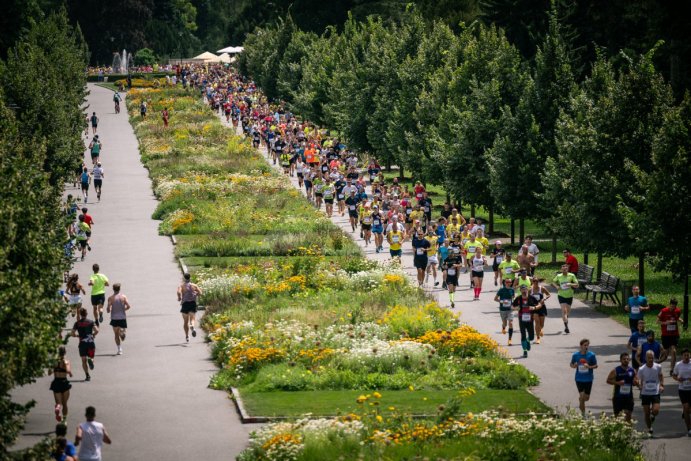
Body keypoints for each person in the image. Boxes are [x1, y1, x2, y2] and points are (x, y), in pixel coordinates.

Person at [638, 350, 664, 437]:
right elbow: (638, 379)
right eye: (649, 358)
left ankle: (653, 416)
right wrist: (639, 386)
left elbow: (660, 375)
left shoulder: (658, 366)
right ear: (645, 358)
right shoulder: (642, 369)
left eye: (652, 358)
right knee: (646, 413)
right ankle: (649, 428)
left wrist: (661, 385)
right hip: (645, 393)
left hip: (655, 392)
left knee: (655, 411)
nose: (650, 359)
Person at [68, 308, 98, 381]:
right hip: (90, 342)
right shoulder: (91, 322)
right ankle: (90, 359)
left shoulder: (77, 323)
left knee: (83, 360)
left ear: (80, 315)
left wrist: (76, 336)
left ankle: (87, 375)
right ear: (86, 314)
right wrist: (93, 335)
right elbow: (97, 330)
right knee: (91, 356)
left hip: (82, 343)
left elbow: (72, 333)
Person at [606, 352, 637, 423]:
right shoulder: (616, 370)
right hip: (618, 397)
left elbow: (635, 381)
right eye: (624, 359)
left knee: (628, 415)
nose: (626, 360)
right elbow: (608, 380)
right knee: (617, 417)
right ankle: (618, 432)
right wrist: (618, 383)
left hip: (629, 397)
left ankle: (628, 432)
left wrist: (636, 383)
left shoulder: (632, 370)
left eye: (627, 359)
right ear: (620, 360)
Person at [570, 338, 597, 416]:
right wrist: (574, 366)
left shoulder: (591, 355)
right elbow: (571, 364)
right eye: (585, 345)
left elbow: (596, 365)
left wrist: (589, 367)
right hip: (579, 378)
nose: (586, 347)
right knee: (582, 396)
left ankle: (581, 401)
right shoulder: (575, 355)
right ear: (581, 346)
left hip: (589, 378)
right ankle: (583, 414)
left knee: (586, 398)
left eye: (587, 345)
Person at [658, 298, 683, 375]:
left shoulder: (678, 311)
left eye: (674, 306)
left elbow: (676, 318)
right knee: (665, 355)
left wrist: (680, 320)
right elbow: (657, 321)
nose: (672, 308)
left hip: (674, 335)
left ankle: (672, 369)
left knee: (674, 351)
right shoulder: (664, 311)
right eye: (671, 306)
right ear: (670, 304)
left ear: (676, 306)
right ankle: (655, 363)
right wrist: (666, 323)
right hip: (666, 335)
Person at [48, 346, 72, 422]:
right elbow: (68, 371)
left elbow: (49, 373)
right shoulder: (66, 361)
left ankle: (57, 408)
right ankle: (64, 420)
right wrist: (70, 373)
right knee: (64, 404)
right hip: (64, 382)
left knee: (58, 403)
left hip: (56, 382)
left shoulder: (54, 362)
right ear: (65, 352)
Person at [552, 264, 578, 334]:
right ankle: (566, 327)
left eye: (566, 269)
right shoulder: (559, 276)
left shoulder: (572, 276)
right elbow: (553, 282)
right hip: (561, 295)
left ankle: (565, 320)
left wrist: (570, 284)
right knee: (564, 311)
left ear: (568, 269)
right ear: (561, 269)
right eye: (563, 269)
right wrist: (557, 286)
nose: (564, 270)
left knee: (568, 312)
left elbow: (577, 285)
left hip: (569, 295)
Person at [513, 285, 538, 358]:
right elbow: (512, 306)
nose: (524, 291)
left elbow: (539, 304)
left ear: (527, 290)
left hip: (530, 319)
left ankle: (528, 340)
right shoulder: (518, 298)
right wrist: (516, 308)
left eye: (525, 289)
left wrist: (534, 307)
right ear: (520, 291)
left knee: (532, 337)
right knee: (523, 335)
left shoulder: (532, 298)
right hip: (521, 319)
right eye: (522, 290)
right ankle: (525, 351)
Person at [106, 283, 131, 355]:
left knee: (116, 335)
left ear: (113, 289)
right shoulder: (123, 297)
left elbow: (108, 310)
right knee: (121, 332)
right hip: (122, 317)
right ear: (119, 289)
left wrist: (109, 308)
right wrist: (123, 310)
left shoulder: (110, 298)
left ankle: (119, 349)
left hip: (114, 318)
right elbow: (129, 306)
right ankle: (122, 332)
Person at [177, 273, 202, 342]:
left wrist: (179, 297)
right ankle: (192, 326)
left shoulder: (181, 286)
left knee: (185, 322)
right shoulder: (194, 285)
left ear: (184, 278)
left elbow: (179, 292)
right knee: (192, 318)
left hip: (185, 304)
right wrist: (195, 294)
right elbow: (200, 293)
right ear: (190, 277)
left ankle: (187, 336)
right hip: (192, 303)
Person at [671, 349, 691, 437]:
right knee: (686, 408)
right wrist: (678, 379)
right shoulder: (678, 365)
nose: (686, 357)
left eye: (688, 355)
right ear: (682, 356)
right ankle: (689, 429)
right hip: (683, 389)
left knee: (689, 409)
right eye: (685, 355)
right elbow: (674, 375)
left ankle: (685, 411)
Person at [529, 278, 550, 343]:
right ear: (532, 282)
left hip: (541, 307)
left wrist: (544, 299)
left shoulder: (542, 288)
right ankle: (538, 338)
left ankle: (540, 329)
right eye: (534, 281)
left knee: (542, 324)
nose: (536, 282)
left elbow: (548, 294)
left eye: (537, 281)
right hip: (534, 308)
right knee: (537, 322)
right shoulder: (530, 290)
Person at [495, 278, 515, 345]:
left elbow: (513, 297)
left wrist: (513, 303)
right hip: (503, 309)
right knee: (505, 323)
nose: (508, 283)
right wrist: (502, 301)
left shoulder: (512, 290)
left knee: (511, 323)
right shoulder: (501, 290)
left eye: (510, 282)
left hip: (510, 309)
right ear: (505, 283)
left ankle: (510, 339)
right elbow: (495, 299)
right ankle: (503, 327)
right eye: (507, 282)